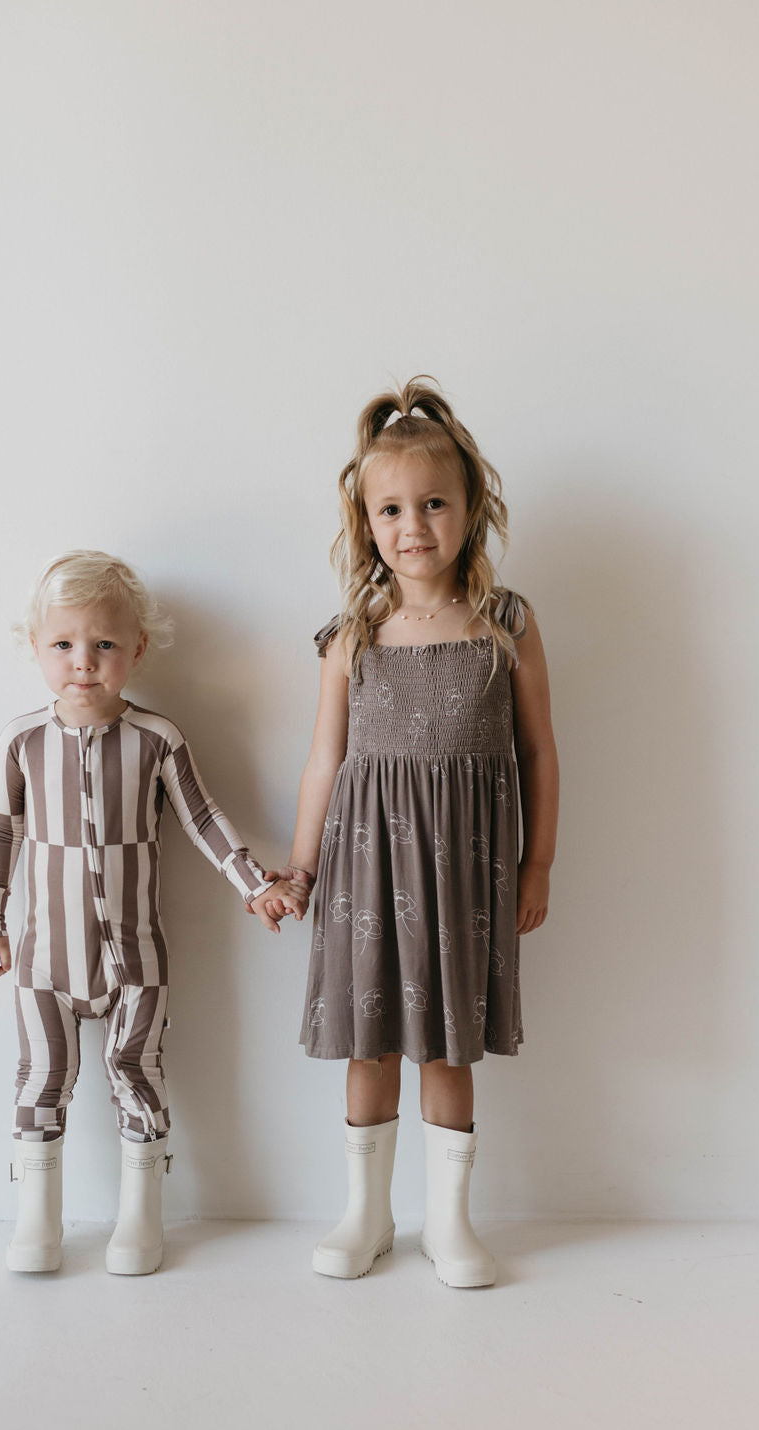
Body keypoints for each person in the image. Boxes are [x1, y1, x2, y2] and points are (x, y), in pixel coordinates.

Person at [265, 377, 559, 1284]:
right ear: (365, 519)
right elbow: (325, 761)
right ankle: (364, 1216)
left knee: (446, 1043)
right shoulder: (349, 636)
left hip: (464, 876)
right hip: (363, 870)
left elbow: (540, 752)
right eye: (391, 508)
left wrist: (538, 861)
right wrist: (301, 866)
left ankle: (450, 1223)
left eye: (434, 503)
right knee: (371, 1040)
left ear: (472, 507)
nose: (414, 526)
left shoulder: (506, 625)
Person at [0, 550, 305, 1276]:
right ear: (35, 648)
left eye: (103, 645)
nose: (82, 662)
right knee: (40, 1078)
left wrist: (254, 884)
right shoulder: (20, 740)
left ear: (136, 650)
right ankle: (37, 1222)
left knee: (139, 1071)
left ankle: (140, 1217)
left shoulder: (157, 738)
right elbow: (0, 832)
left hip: (137, 959)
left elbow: (204, 817)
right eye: (62, 644)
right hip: (44, 962)